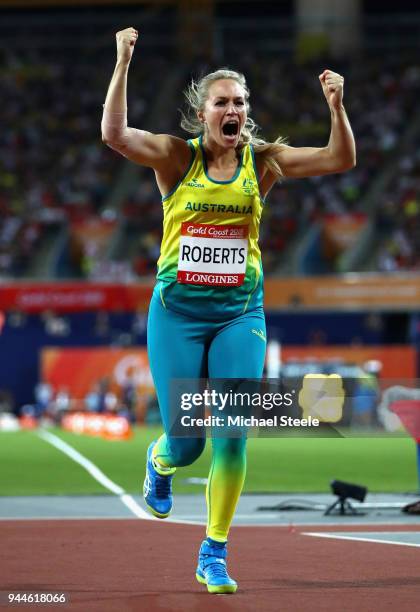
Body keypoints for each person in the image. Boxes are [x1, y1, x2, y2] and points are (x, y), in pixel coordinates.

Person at [101, 27, 355, 595]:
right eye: (223, 102)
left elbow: (341, 158)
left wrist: (336, 107)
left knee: (234, 433)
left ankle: (213, 552)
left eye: (241, 102)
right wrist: (122, 62)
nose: (234, 109)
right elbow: (114, 135)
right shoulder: (175, 158)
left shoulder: (263, 162)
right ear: (203, 112)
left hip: (241, 314)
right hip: (178, 316)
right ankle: (162, 460)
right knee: (187, 441)